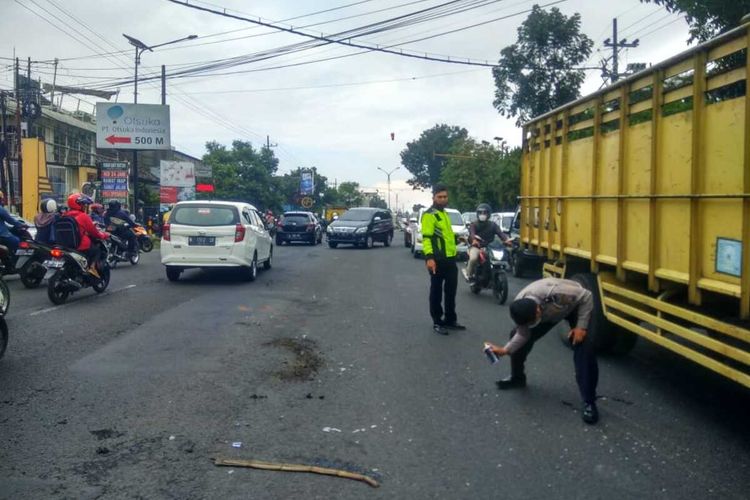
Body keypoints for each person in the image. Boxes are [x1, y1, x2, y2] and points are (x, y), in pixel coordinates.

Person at [484, 277, 600, 424]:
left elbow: (587, 295)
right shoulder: (520, 307)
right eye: (530, 323)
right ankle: (517, 378)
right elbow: (522, 334)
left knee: (584, 346)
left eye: (534, 320)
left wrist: (581, 327)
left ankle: (589, 401)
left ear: (538, 310)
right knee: (515, 336)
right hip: (549, 314)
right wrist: (505, 350)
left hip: (574, 304)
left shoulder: (557, 293)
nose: (532, 324)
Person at [421, 184, 465, 335]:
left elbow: (444, 236)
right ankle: (437, 322)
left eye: (445, 196)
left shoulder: (444, 214)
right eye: (439, 197)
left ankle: (450, 320)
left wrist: (459, 239)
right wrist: (429, 258)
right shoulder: (429, 215)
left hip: (450, 260)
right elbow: (427, 238)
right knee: (436, 292)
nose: (443, 199)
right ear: (433, 197)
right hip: (437, 260)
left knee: (451, 292)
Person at [463, 203, 510, 282]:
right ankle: (469, 275)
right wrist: (474, 240)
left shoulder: (493, 225)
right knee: (474, 258)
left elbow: (500, 233)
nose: (482, 215)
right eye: (480, 213)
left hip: (490, 248)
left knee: (502, 256)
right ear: (477, 214)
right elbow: (472, 234)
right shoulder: (473, 224)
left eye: (485, 213)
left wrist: (506, 240)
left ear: (489, 214)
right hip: (476, 247)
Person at [66, 193, 109, 278]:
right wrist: (104, 235)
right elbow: (94, 232)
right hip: (80, 246)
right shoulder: (83, 216)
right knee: (96, 250)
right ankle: (92, 268)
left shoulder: (64, 215)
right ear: (79, 205)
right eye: (83, 204)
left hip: (65, 245)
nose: (84, 207)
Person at [0, 190, 25, 255]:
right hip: (2, 235)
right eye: (2, 199)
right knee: (16, 241)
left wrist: (10, 228)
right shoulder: (0, 209)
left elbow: (2, 224)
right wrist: (21, 225)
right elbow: (10, 220)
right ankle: (14, 260)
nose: (2, 201)